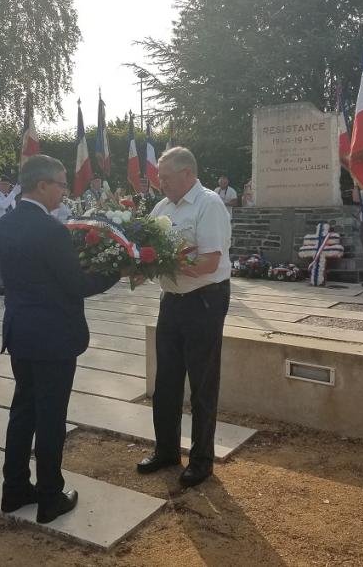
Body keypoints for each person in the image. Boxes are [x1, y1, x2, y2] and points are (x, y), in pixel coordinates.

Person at [0, 155, 120, 523]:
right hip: (53, 336)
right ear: (42, 186)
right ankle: (50, 496)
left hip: (21, 331)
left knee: (23, 411)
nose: (65, 190)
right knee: (50, 417)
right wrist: (118, 270)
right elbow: (76, 284)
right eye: (62, 184)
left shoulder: (4, 225)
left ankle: (14, 488)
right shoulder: (50, 230)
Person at [137, 147, 231, 487]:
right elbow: (147, 253)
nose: (159, 183)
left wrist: (165, 261)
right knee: (166, 382)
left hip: (204, 301)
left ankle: (202, 460)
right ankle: (166, 450)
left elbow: (209, 263)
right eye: (159, 177)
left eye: (165, 177)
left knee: (202, 383)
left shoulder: (209, 205)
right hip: (172, 301)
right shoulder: (162, 208)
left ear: (188, 173)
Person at [0, 176, 19, 296]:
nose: (5, 187)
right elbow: (3, 206)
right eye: (2, 184)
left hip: (11, 228)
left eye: (7, 184)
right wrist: (14, 193)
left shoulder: (11, 198)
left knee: (10, 256)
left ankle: (8, 282)